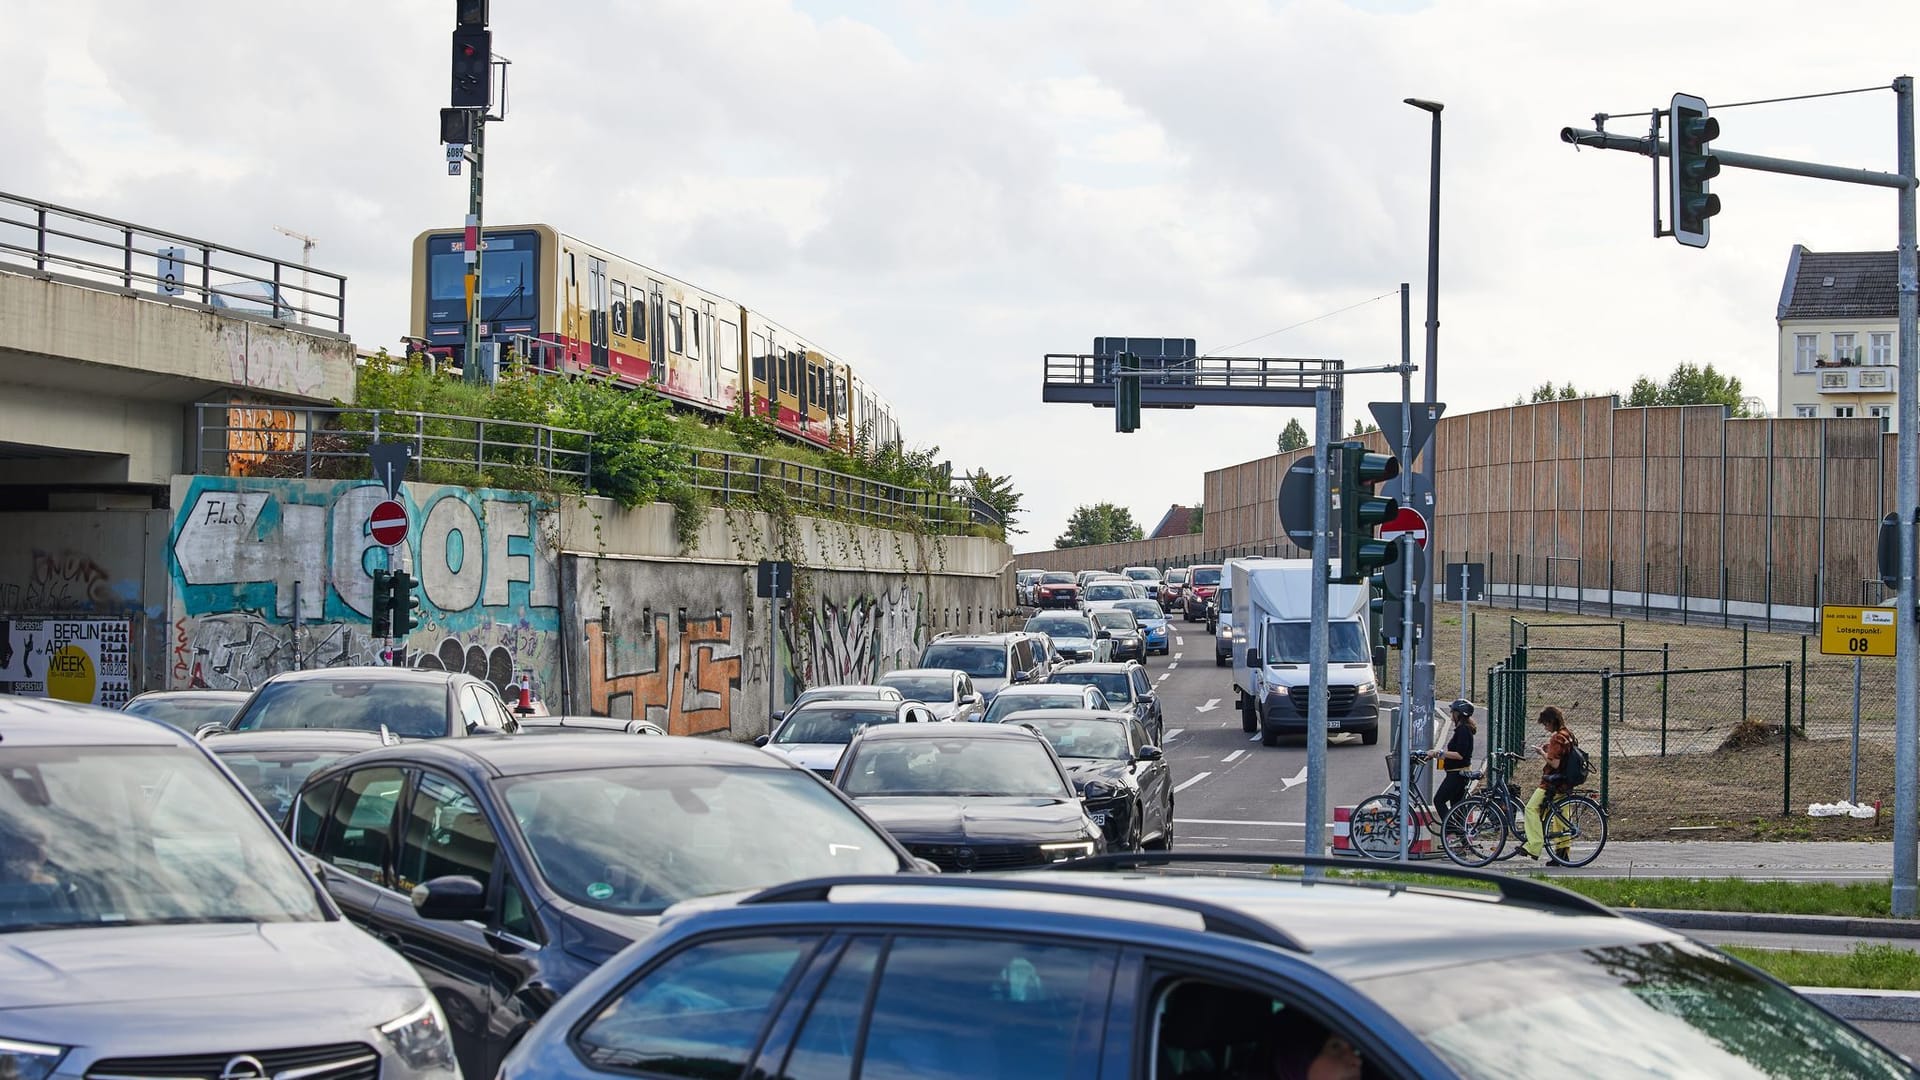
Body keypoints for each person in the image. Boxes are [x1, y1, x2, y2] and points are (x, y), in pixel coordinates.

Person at [1520, 704, 1578, 861]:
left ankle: (1534, 845)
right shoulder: (1568, 734)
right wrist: (1548, 749)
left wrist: (1542, 753)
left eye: (1546, 723)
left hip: (1553, 783)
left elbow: (1555, 764)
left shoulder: (1557, 737)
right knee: (1560, 818)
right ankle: (1562, 854)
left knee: (1531, 809)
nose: (1545, 727)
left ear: (1552, 721)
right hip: (1566, 783)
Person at [1431, 698, 1477, 823]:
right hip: (1458, 773)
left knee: (1439, 800)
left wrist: (1439, 753)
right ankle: (1460, 836)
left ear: (1458, 714)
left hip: (1457, 774)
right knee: (1456, 807)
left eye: (1452, 712)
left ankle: (1450, 829)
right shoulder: (1463, 729)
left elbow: (1460, 755)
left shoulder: (1463, 730)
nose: (1451, 715)